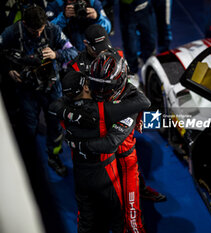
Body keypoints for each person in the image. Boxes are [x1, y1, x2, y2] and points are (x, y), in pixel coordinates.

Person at [67, 24, 167, 203]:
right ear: (85, 44)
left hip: (120, 118)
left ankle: (139, 188)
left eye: (104, 47)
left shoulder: (117, 54)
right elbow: (72, 103)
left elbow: (127, 84)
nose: (102, 52)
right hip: (96, 123)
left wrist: (138, 114)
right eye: (96, 49)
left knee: (129, 160)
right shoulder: (75, 68)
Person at [0, 5, 78, 176]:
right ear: (24, 23)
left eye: (40, 30)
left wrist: (56, 55)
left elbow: (73, 53)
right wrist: (8, 70)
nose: (38, 34)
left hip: (52, 88)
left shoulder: (53, 30)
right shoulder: (12, 32)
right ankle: (29, 159)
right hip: (26, 90)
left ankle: (54, 156)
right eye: (33, 30)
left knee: (56, 127)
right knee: (28, 127)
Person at [46, 0, 111, 51]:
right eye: (71, 1)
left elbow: (108, 28)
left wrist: (97, 17)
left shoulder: (93, 3)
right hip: (65, 51)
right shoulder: (55, 5)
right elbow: (48, 32)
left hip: (91, 50)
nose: (75, 4)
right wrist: (63, 16)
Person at [119, 0, 156, 76]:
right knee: (130, 44)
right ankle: (132, 72)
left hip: (145, 6)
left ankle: (150, 68)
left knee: (149, 40)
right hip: (127, 8)